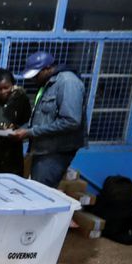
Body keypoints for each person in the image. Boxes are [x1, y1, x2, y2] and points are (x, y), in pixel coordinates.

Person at [13, 51, 87, 187]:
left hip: (55, 152)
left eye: (36, 75)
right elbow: (42, 117)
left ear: (47, 68)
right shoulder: (47, 84)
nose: (33, 79)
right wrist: (22, 129)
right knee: (36, 188)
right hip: (43, 149)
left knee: (41, 193)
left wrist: (30, 132)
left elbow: (71, 121)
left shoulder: (68, 82)